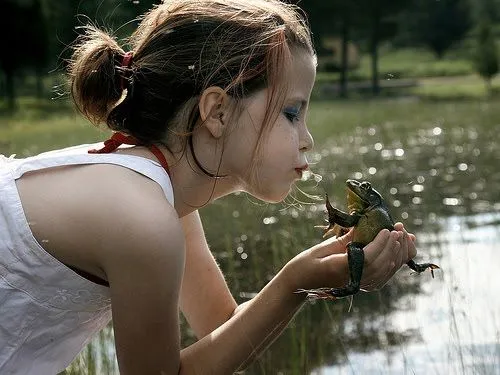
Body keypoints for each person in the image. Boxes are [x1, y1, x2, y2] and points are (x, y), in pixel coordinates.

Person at [0, 0, 417, 374]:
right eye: (291, 112)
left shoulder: (160, 200)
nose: (308, 138)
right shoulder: (143, 218)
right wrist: (294, 282)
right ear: (216, 111)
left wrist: (313, 276)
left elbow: (222, 329)